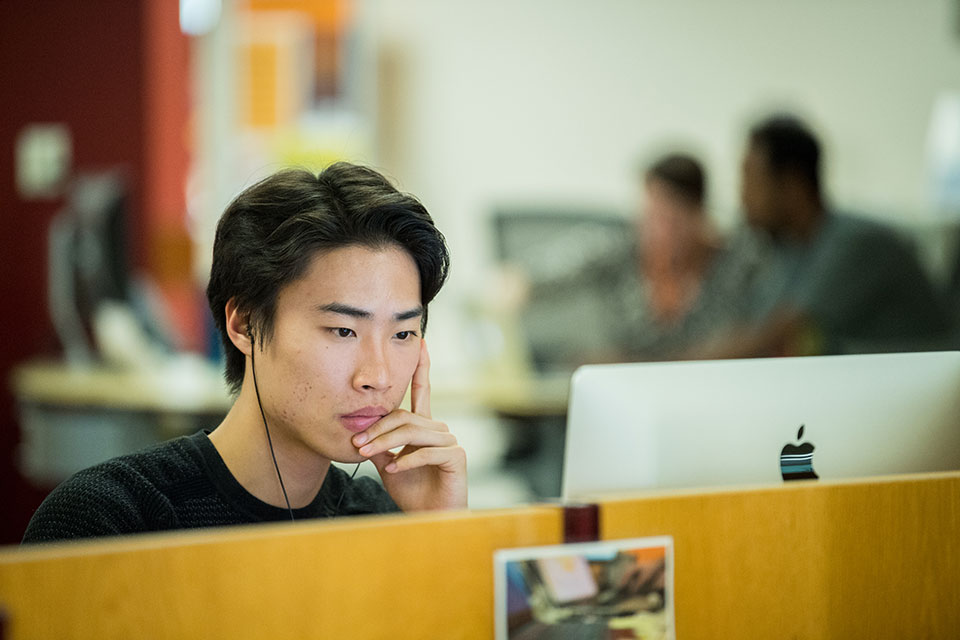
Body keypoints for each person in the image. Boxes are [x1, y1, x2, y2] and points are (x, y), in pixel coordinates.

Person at [23, 163, 468, 543]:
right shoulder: (109, 522)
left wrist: (438, 536)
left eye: (404, 334)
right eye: (343, 330)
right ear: (244, 325)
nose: (379, 376)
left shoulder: (386, 520)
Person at [699, 115, 953, 358]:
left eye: (751, 179)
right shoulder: (788, 248)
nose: (742, 196)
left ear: (792, 185)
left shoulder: (856, 243)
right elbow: (746, 328)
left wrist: (673, 367)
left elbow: (772, 336)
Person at [517, 153, 758, 365]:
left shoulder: (735, 265)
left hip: (705, 391)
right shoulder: (621, 252)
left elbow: (742, 344)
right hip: (626, 392)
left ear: (698, 215)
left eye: (669, 218)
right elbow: (547, 273)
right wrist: (516, 285)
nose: (656, 230)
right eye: (649, 214)